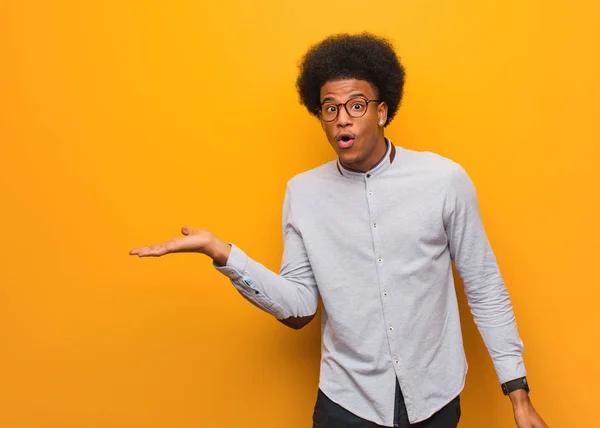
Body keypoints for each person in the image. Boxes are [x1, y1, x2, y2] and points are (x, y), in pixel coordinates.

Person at [129, 33, 547, 428]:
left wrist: (517, 392)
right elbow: (300, 307)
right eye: (330, 108)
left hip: (435, 397)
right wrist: (223, 254)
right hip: (347, 403)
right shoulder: (303, 193)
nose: (342, 119)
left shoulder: (444, 180)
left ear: (382, 111)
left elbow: (484, 286)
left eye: (356, 105)